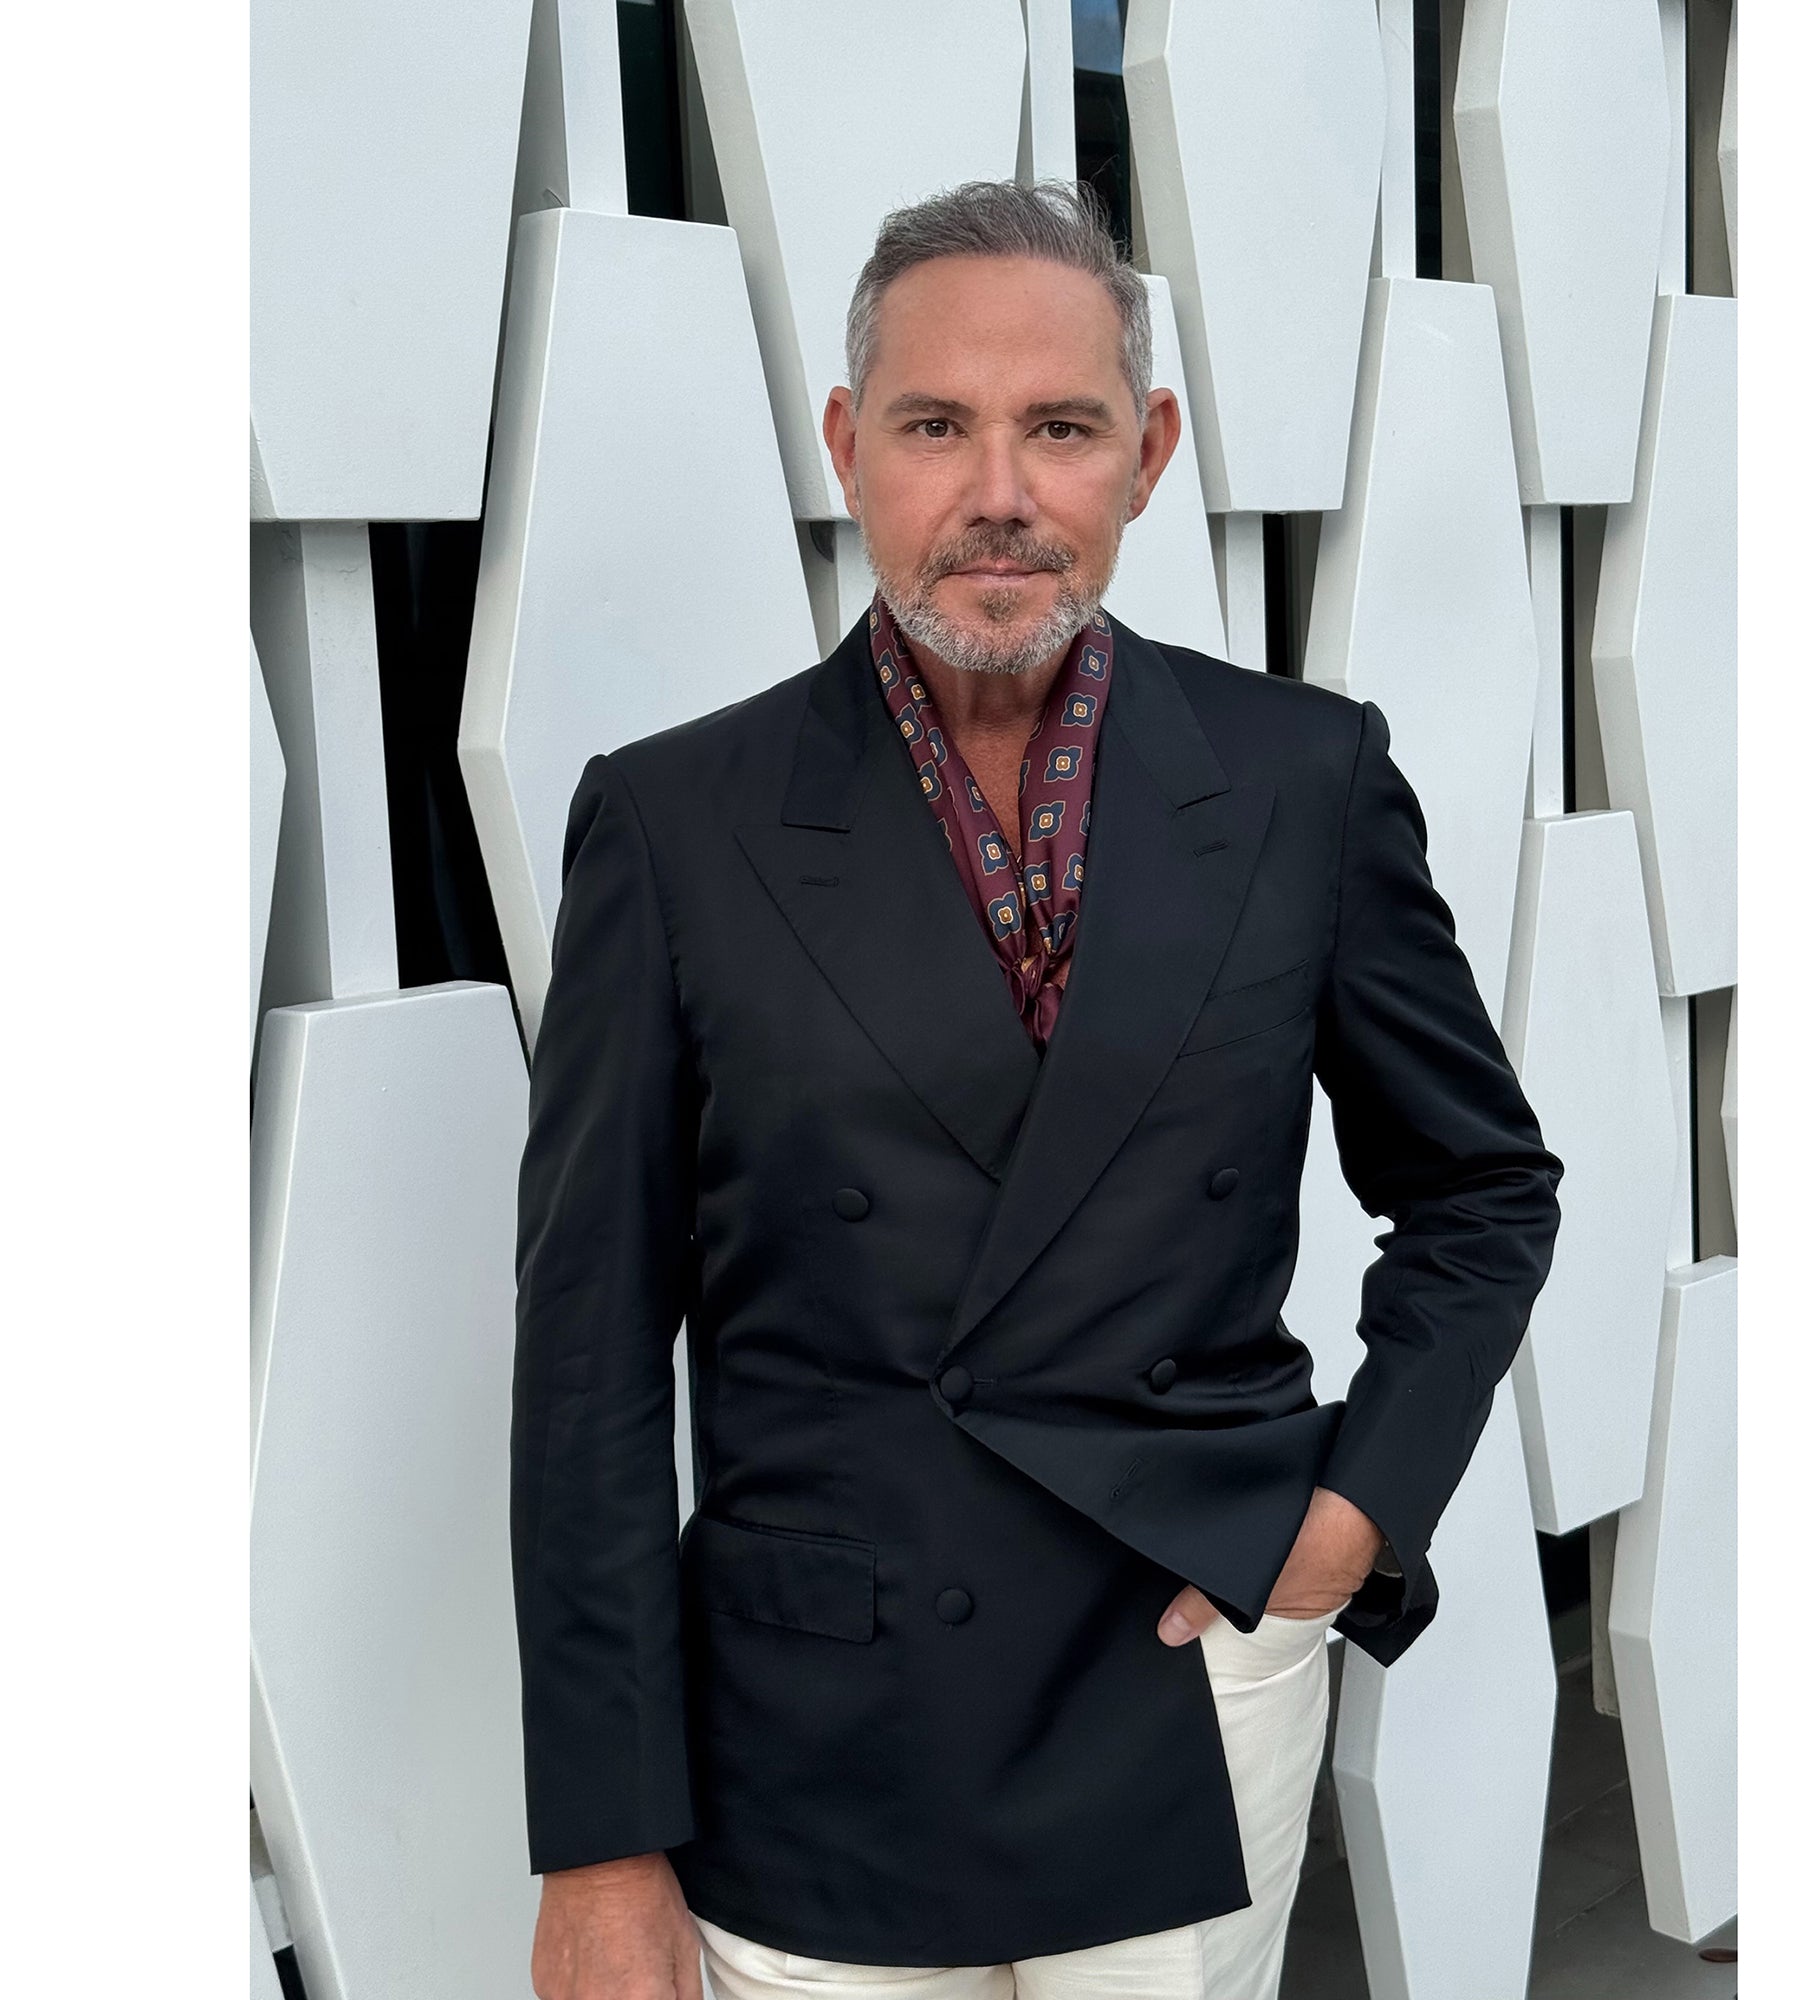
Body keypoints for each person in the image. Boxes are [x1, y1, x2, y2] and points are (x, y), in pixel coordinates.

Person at [511, 180, 1562, 2000]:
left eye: (1060, 428)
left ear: (1146, 455)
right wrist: (601, 1848)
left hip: (1182, 1659)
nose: (998, 492)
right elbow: (590, 1356)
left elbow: (1479, 1188)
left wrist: (1349, 1520)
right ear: (848, 447)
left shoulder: (1302, 780)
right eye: (937, 425)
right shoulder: (676, 820)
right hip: (819, 1718)